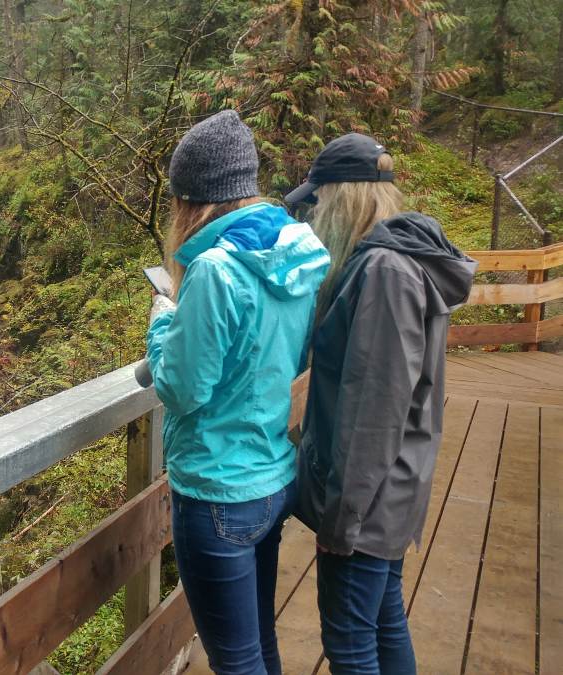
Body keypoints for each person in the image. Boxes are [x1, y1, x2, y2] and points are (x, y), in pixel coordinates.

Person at [144, 110, 331, 675]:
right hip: (274, 475)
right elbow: (285, 356)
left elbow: (180, 388)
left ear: (192, 200)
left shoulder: (215, 271)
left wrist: (160, 323)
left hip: (218, 491)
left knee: (235, 661)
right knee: (258, 646)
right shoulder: (295, 253)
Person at [287, 133, 477, 675]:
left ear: (342, 198)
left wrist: (341, 521)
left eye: (319, 202)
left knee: (348, 642)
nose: (314, 216)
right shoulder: (396, 261)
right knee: (383, 619)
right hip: (391, 491)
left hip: (368, 506)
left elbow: (374, 412)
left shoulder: (384, 274)